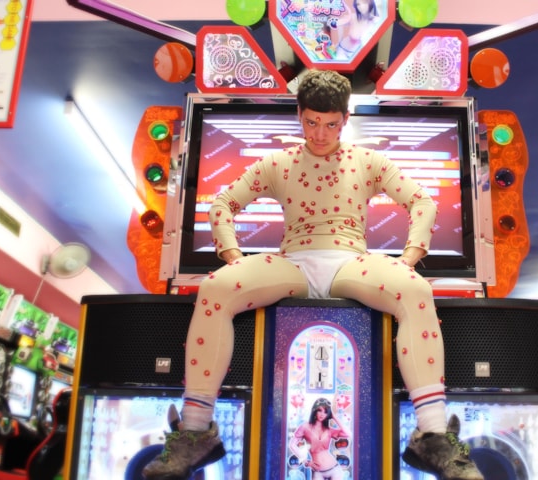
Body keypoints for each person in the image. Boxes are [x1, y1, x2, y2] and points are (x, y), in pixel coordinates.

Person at [142, 69, 483, 480]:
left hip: (351, 260)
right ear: (299, 115)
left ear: (346, 119)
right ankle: (195, 432)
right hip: (293, 262)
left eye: (331, 124)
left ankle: (433, 435)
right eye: (311, 122)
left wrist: (409, 259)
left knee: (415, 290)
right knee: (214, 288)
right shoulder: (278, 163)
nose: (320, 134)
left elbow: (422, 202)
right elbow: (223, 204)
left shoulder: (368, 161)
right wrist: (232, 257)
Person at [289, 398, 350, 479]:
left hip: (334, 469)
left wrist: (334, 417)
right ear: (315, 411)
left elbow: (348, 433)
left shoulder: (329, 430)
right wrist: (305, 461)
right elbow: (292, 445)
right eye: (319, 410)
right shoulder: (305, 427)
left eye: (325, 412)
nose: (322, 414)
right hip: (318, 472)